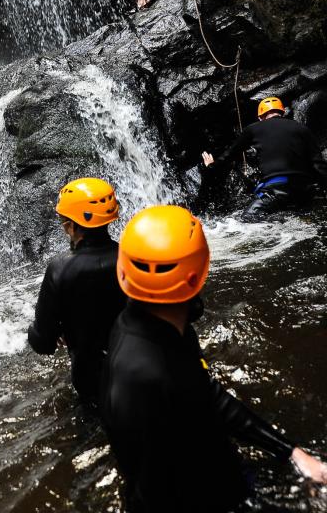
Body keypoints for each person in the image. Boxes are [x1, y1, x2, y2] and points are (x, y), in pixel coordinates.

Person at [101, 205, 327, 513]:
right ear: (197, 276)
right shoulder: (145, 375)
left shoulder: (155, 327)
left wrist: (292, 453)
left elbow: (209, 397)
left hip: (221, 478)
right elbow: (151, 489)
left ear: (123, 272)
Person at [27, 177, 127, 407]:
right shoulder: (133, 257)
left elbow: (42, 342)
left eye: (63, 220)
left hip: (93, 382)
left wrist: (53, 329)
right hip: (140, 367)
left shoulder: (60, 269)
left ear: (72, 225)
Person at [201, 96, 327, 222]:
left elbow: (230, 155)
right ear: (282, 112)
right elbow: (319, 166)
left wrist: (212, 166)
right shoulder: (302, 129)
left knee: (247, 219)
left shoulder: (253, 129)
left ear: (260, 117)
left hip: (275, 189)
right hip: (304, 190)